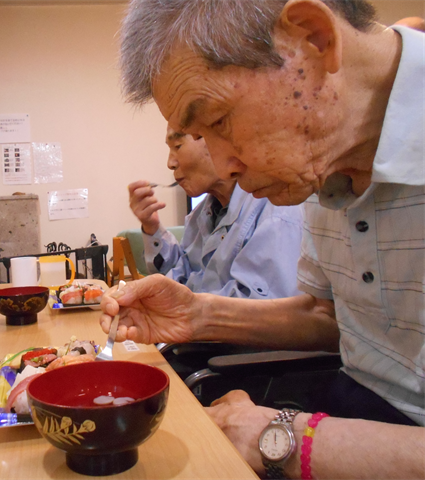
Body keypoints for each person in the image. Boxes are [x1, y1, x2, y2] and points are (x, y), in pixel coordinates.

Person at [100, 1, 424, 479]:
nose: (223, 164)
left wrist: (288, 440)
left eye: (219, 121)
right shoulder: (321, 154)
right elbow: (326, 316)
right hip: (350, 406)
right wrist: (199, 314)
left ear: (313, 39)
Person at [129, 126, 304, 297]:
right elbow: (180, 279)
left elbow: (263, 311)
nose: (170, 163)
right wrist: (152, 227)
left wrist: (188, 311)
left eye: (178, 146)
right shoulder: (199, 215)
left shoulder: (277, 211)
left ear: (218, 141)